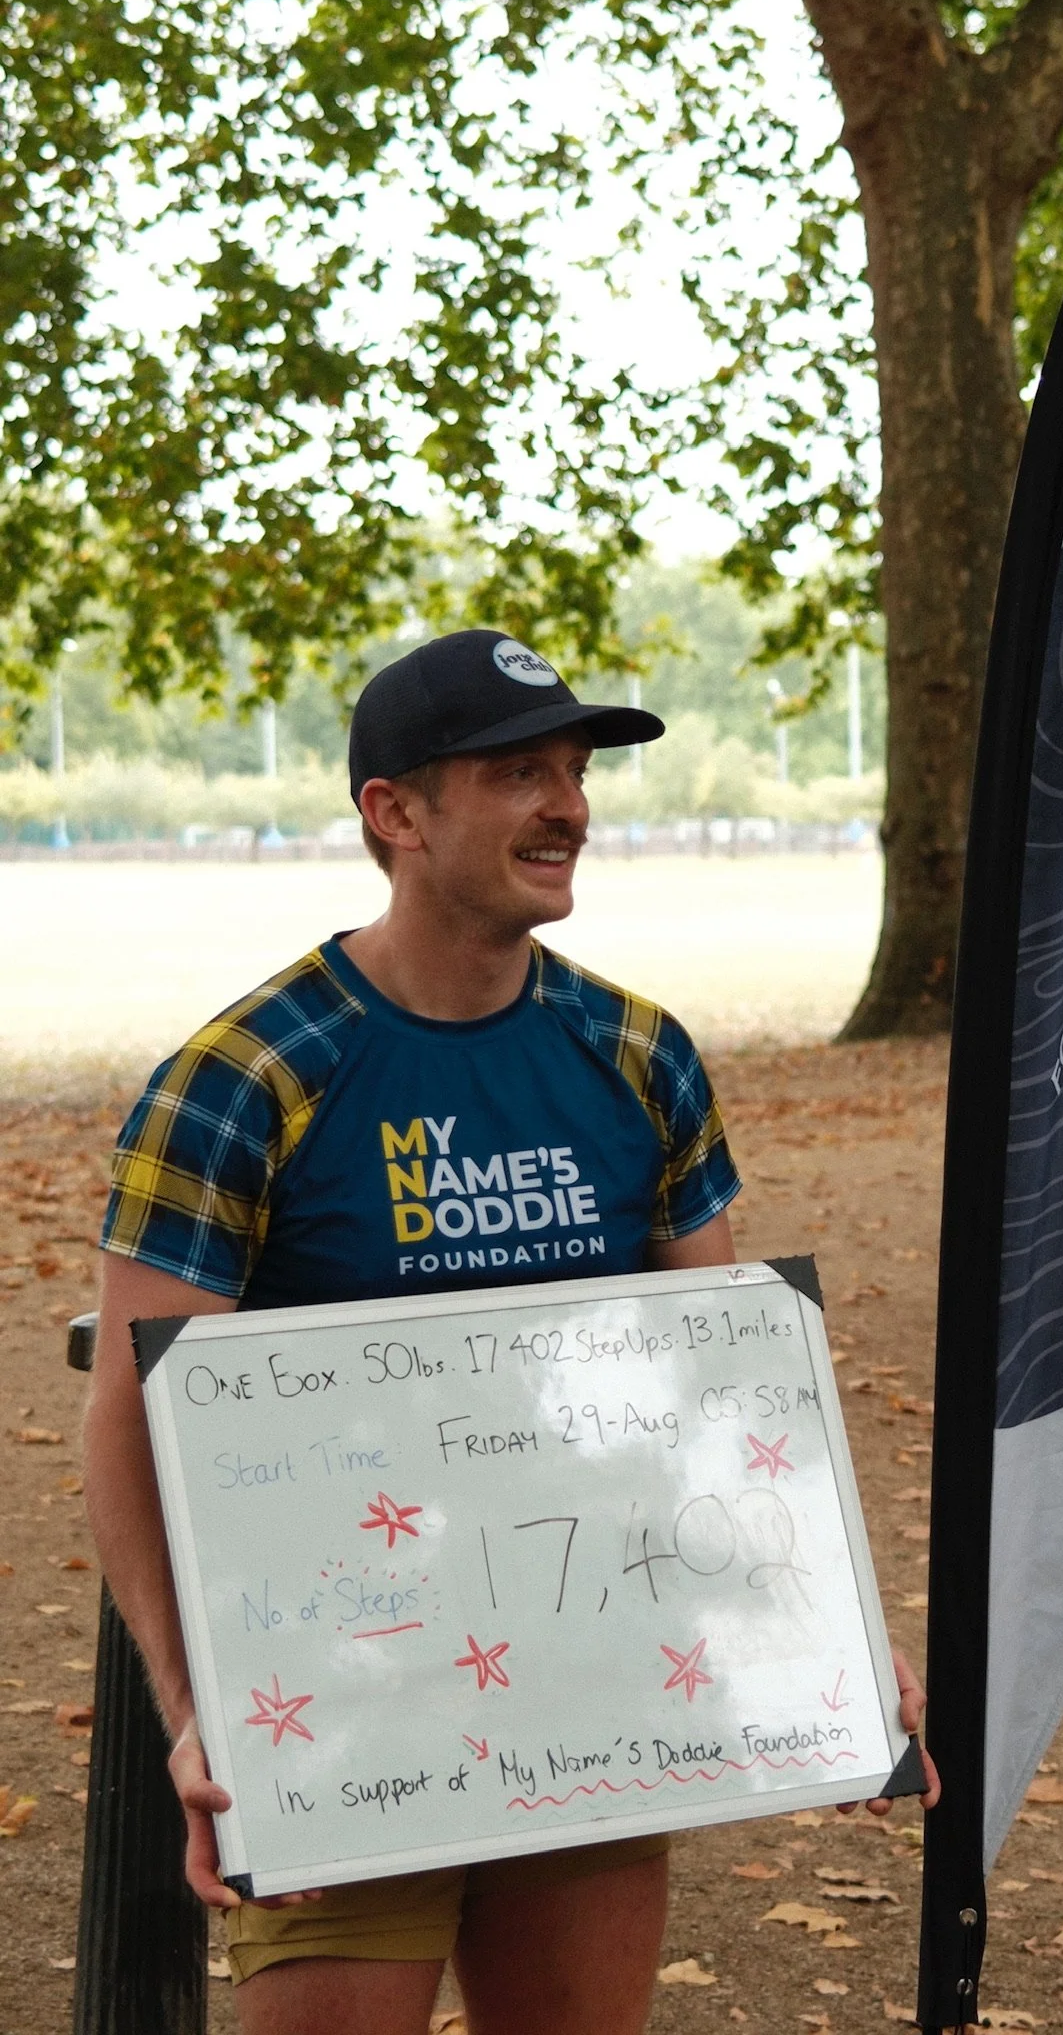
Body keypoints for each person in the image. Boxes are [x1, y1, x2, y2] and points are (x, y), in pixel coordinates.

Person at [84, 628, 936, 2035]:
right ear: (395, 813)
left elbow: (720, 1389)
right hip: (340, 1715)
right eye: (518, 773)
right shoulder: (244, 1080)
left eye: (578, 772)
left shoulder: (639, 1054)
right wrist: (194, 1708)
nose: (570, 805)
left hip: (593, 1698)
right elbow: (129, 1416)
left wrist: (824, 1636)